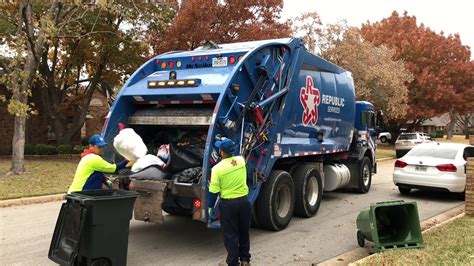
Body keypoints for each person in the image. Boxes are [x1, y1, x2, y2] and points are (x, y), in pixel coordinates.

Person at [207, 138, 251, 266]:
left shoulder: (217, 169)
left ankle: (233, 263)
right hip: (244, 203)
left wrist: (210, 207)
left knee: (231, 235)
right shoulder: (241, 161)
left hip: (229, 205)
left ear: (221, 152)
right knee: (244, 232)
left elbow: (213, 192)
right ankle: (245, 260)